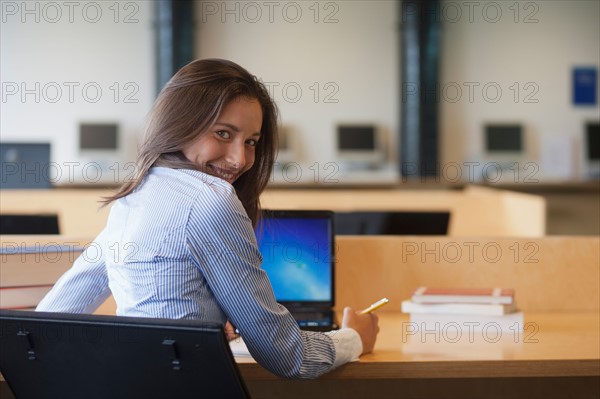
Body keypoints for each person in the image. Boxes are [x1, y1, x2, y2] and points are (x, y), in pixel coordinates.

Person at [36, 58, 379, 379]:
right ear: (180, 123)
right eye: (223, 134)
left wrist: (202, 327)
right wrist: (354, 338)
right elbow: (289, 357)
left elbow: (50, 318)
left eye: (252, 142)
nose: (239, 159)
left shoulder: (134, 197)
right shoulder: (211, 201)